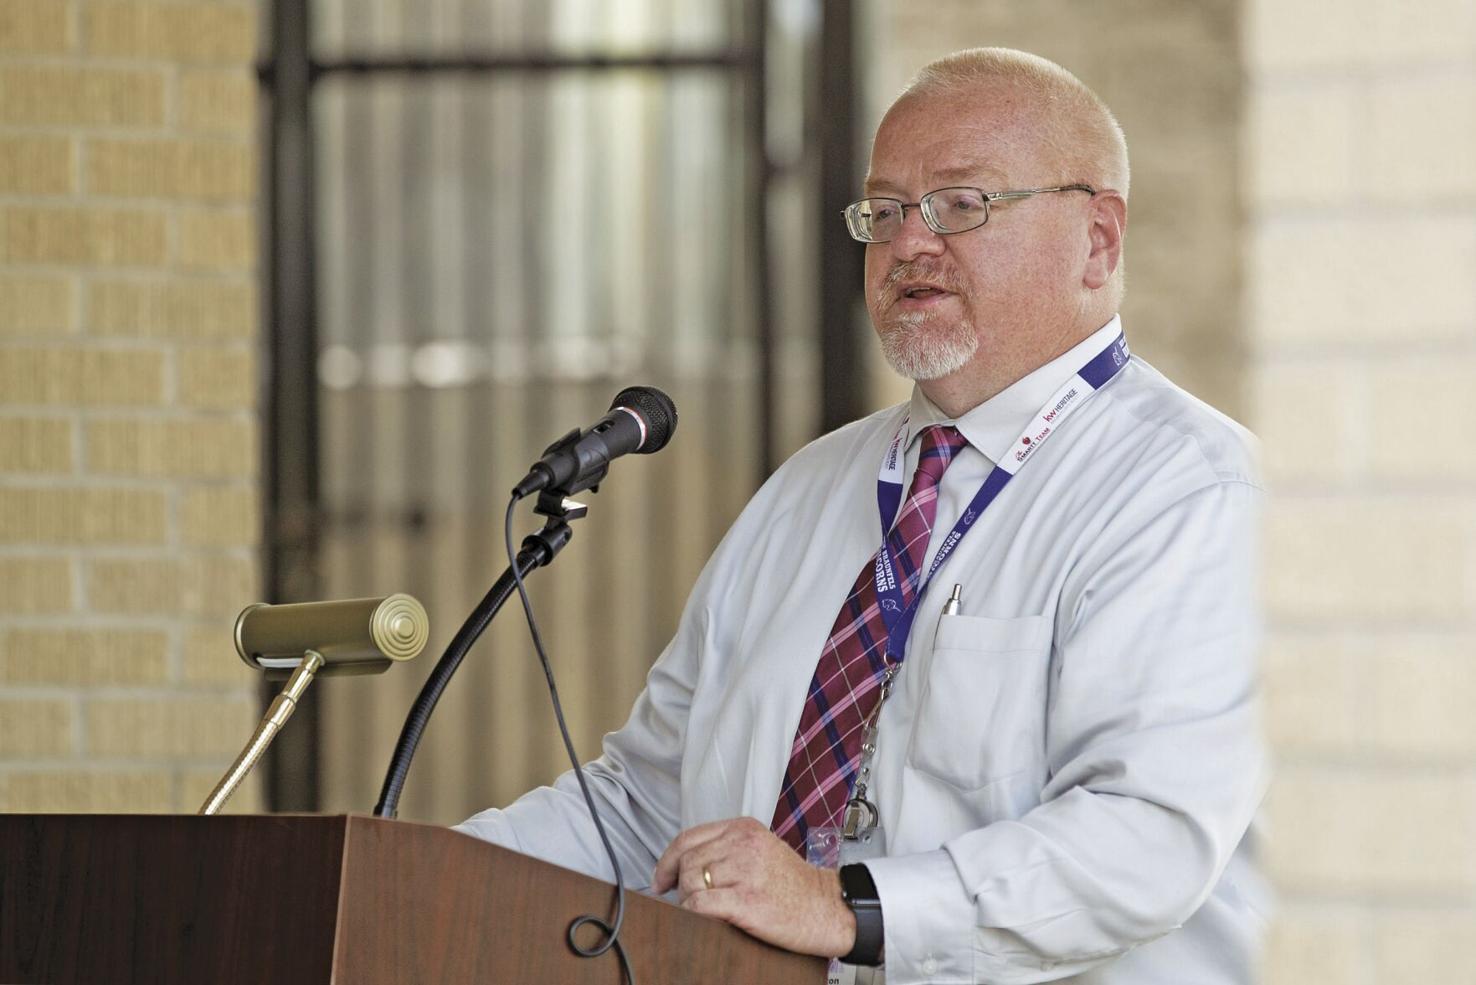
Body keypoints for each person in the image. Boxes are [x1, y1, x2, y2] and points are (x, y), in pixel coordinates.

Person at [459, 47, 1268, 984]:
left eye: (962, 205)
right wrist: (411, 868)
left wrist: (847, 904)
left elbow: (1144, 838)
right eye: (884, 212)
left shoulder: (1190, 492)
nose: (910, 243)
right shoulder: (808, 488)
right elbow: (647, 805)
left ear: (1098, 239)